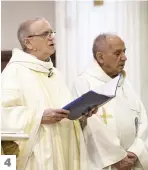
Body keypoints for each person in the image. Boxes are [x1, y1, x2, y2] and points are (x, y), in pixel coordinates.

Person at [1, 17, 97, 170]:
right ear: (28, 43)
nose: (52, 37)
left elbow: (64, 112)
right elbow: (4, 115)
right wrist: (39, 117)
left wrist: (81, 114)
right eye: (45, 34)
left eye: (52, 32)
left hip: (65, 150)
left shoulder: (55, 74)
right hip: (38, 157)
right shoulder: (14, 73)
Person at [72, 33, 148, 170]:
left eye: (124, 52)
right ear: (100, 57)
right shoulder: (85, 82)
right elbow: (91, 124)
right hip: (104, 164)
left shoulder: (125, 83)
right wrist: (117, 158)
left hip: (132, 162)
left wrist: (135, 152)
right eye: (117, 53)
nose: (124, 58)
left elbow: (143, 119)